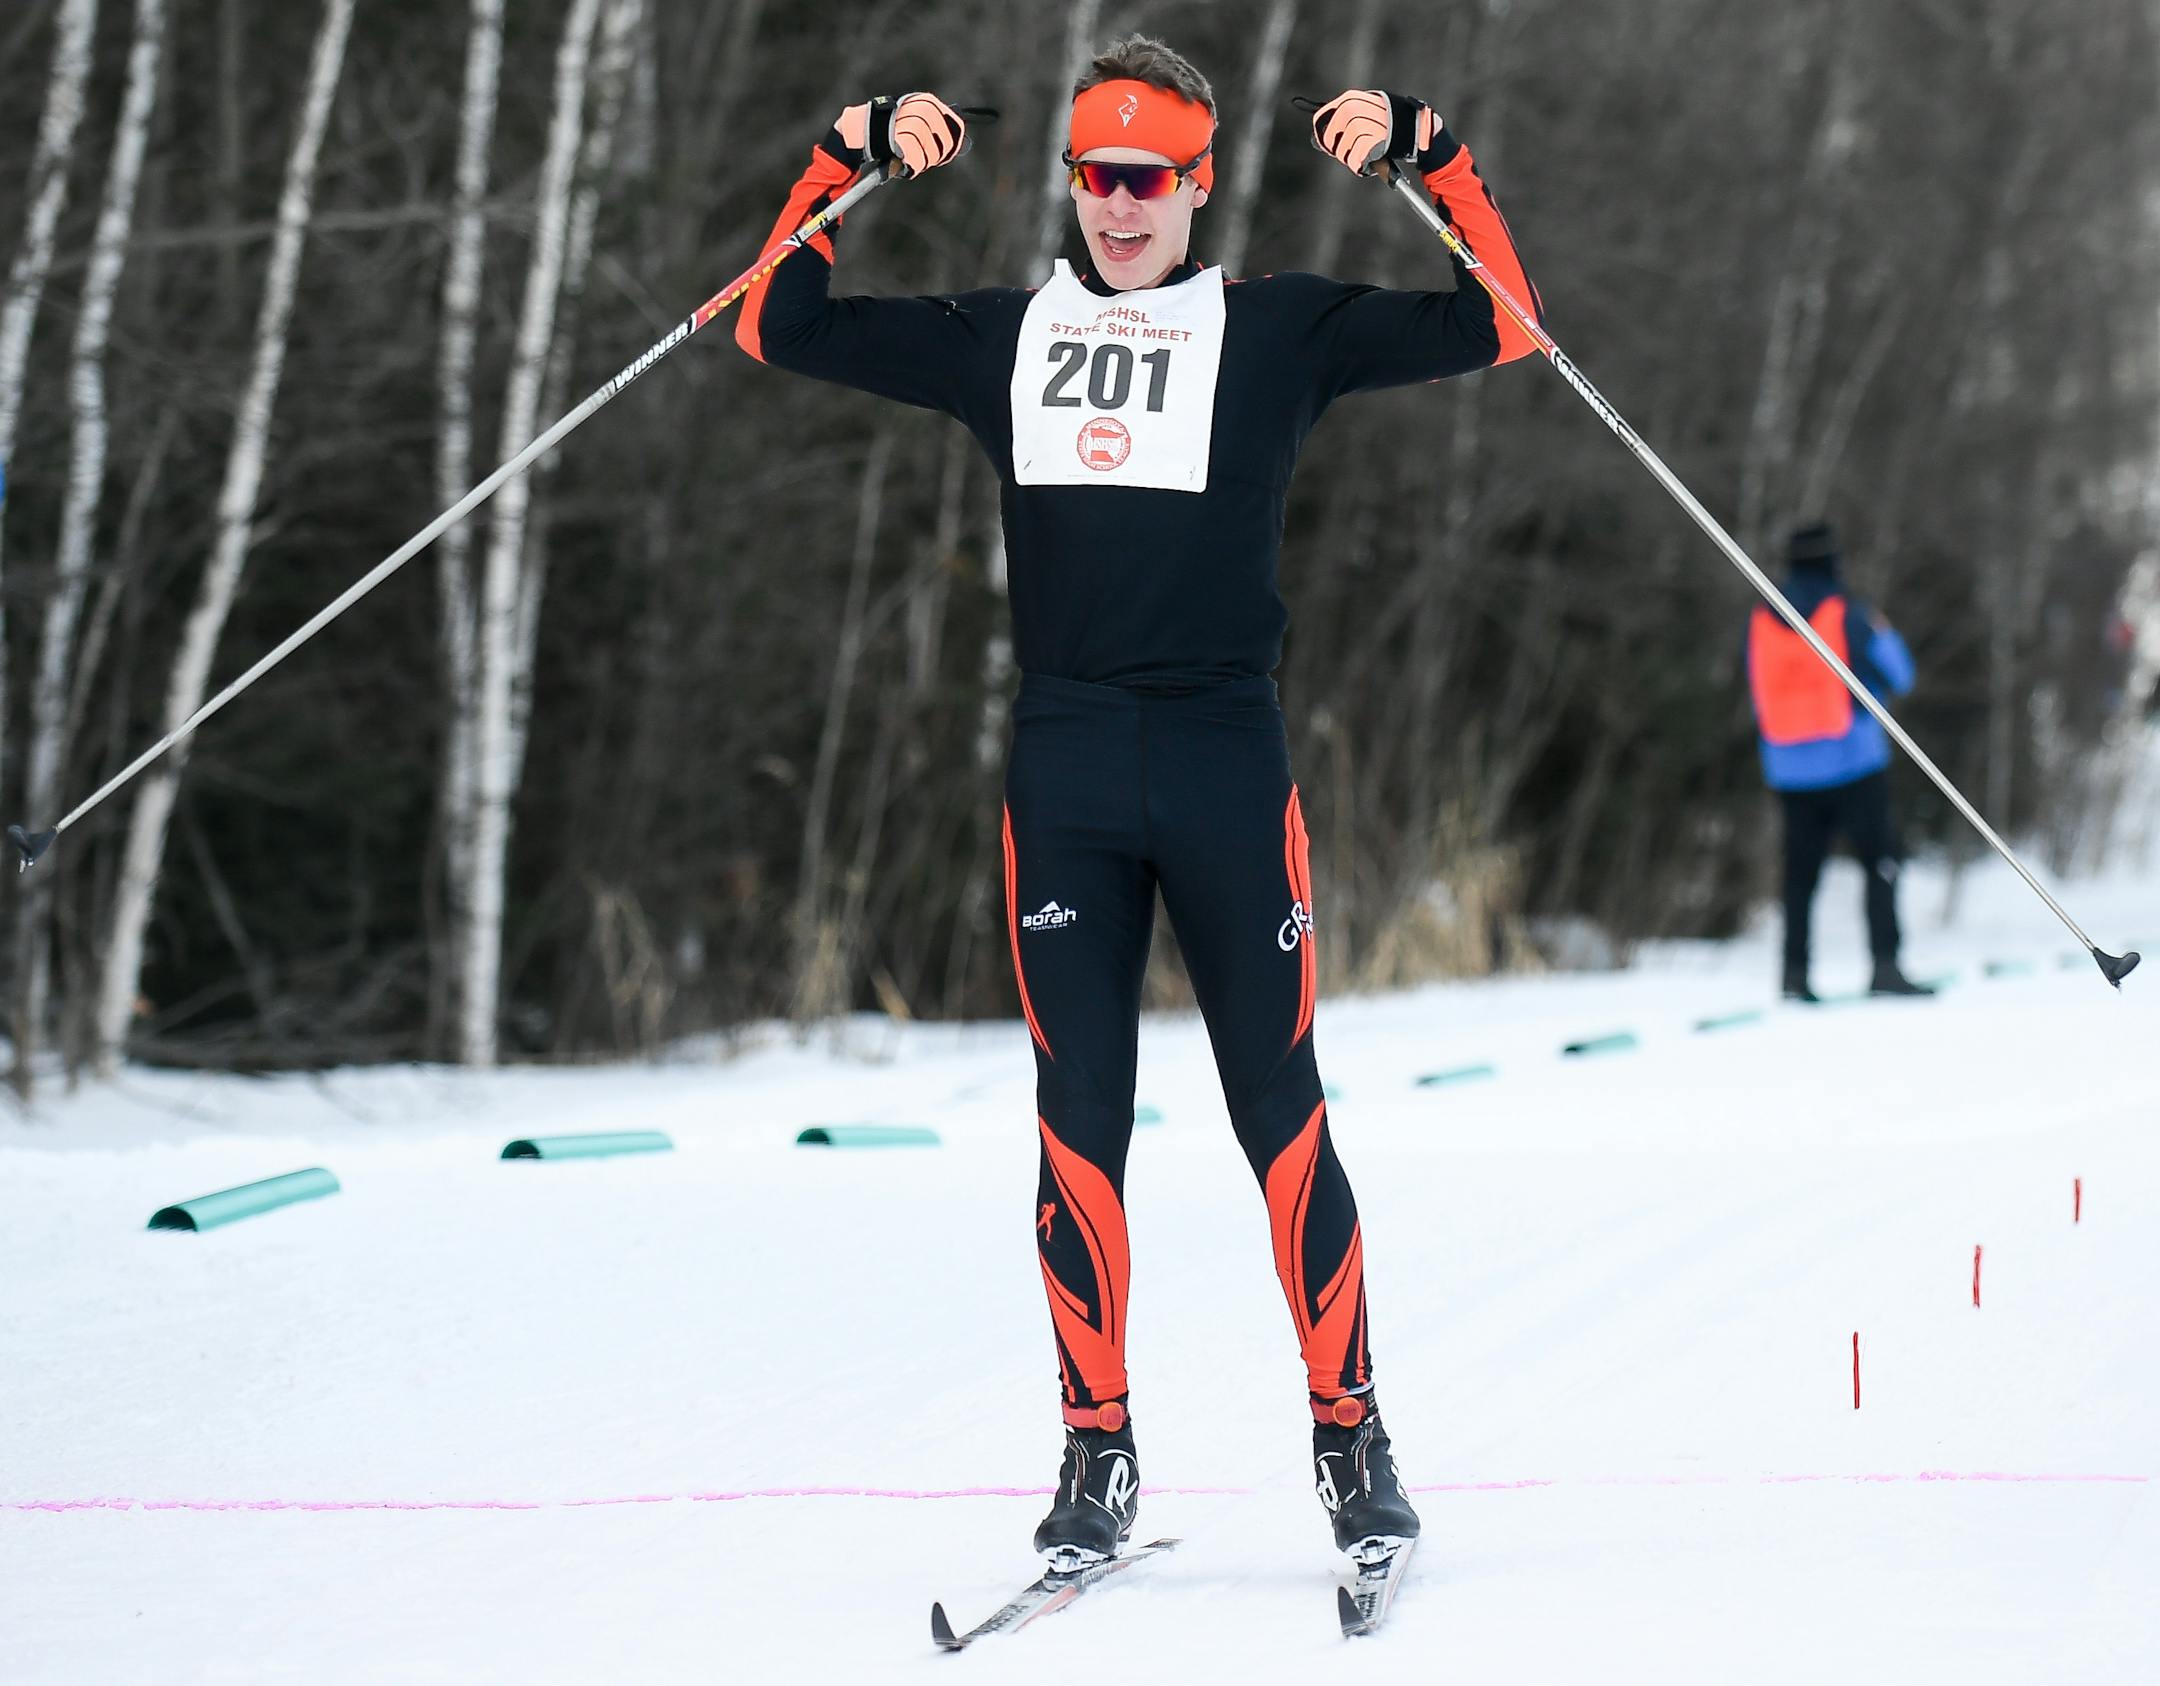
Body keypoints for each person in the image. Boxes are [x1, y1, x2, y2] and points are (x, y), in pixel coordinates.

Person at [736, 35, 1540, 1567]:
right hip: (1072, 763)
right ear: (1071, 183)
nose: (1119, 209)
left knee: (1278, 1107)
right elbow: (775, 325)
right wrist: (842, 159)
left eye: (1148, 181)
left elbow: (1503, 327)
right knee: (1077, 1119)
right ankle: (1096, 1454)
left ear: (1197, 184)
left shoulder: (1278, 328)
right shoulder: (1002, 334)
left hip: (1228, 756)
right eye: (1096, 178)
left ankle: (1351, 1437)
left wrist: (1432, 154)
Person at [1745, 521, 1933, 1002]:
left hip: (1788, 767)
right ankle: (1886, 965)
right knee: (1879, 862)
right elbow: (1902, 676)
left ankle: (1793, 974)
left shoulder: (1765, 616)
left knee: (1799, 875)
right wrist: (1884, 633)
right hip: (1854, 761)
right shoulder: (1850, 612)